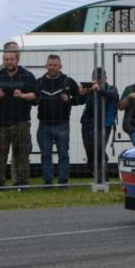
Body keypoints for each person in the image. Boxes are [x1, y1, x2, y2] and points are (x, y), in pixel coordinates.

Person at [0, 49, 37, 188]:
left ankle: (21, 183)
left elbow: (35, 94)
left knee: (21, 153)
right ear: (3, 60)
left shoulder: (27, 75)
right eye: (6, 59)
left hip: (21, 121)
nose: (9, 62)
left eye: (11, 59)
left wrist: (23, 95)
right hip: (0, 122)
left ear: (17, 60)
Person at [36, 54, 80, 186]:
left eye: (55, 65)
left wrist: (70, 100)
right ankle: (48, 182)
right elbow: (32, 101)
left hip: (62, 125)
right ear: (46, 66)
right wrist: (35, 100)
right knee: (45, 154)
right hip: (44, 125)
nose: (52, 67)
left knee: (63, 154)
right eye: (50, 65)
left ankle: (63, 181)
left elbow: (80, 98)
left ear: (60, 66)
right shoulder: (39, 82)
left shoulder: (68, 81)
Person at [77, 67, 117, 182]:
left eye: (100, 77)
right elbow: (78, 101)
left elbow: (112, 95)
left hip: (104, 125)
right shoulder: (89, 90)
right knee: (90, 152)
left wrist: (99, 90)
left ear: (106, 78)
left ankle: (103, 177)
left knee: (99, 148)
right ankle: (97, 174)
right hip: (87, 125)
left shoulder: (111, 88)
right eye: (96, 78)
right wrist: (81, 93)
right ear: (92, 78)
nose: (98, 80)